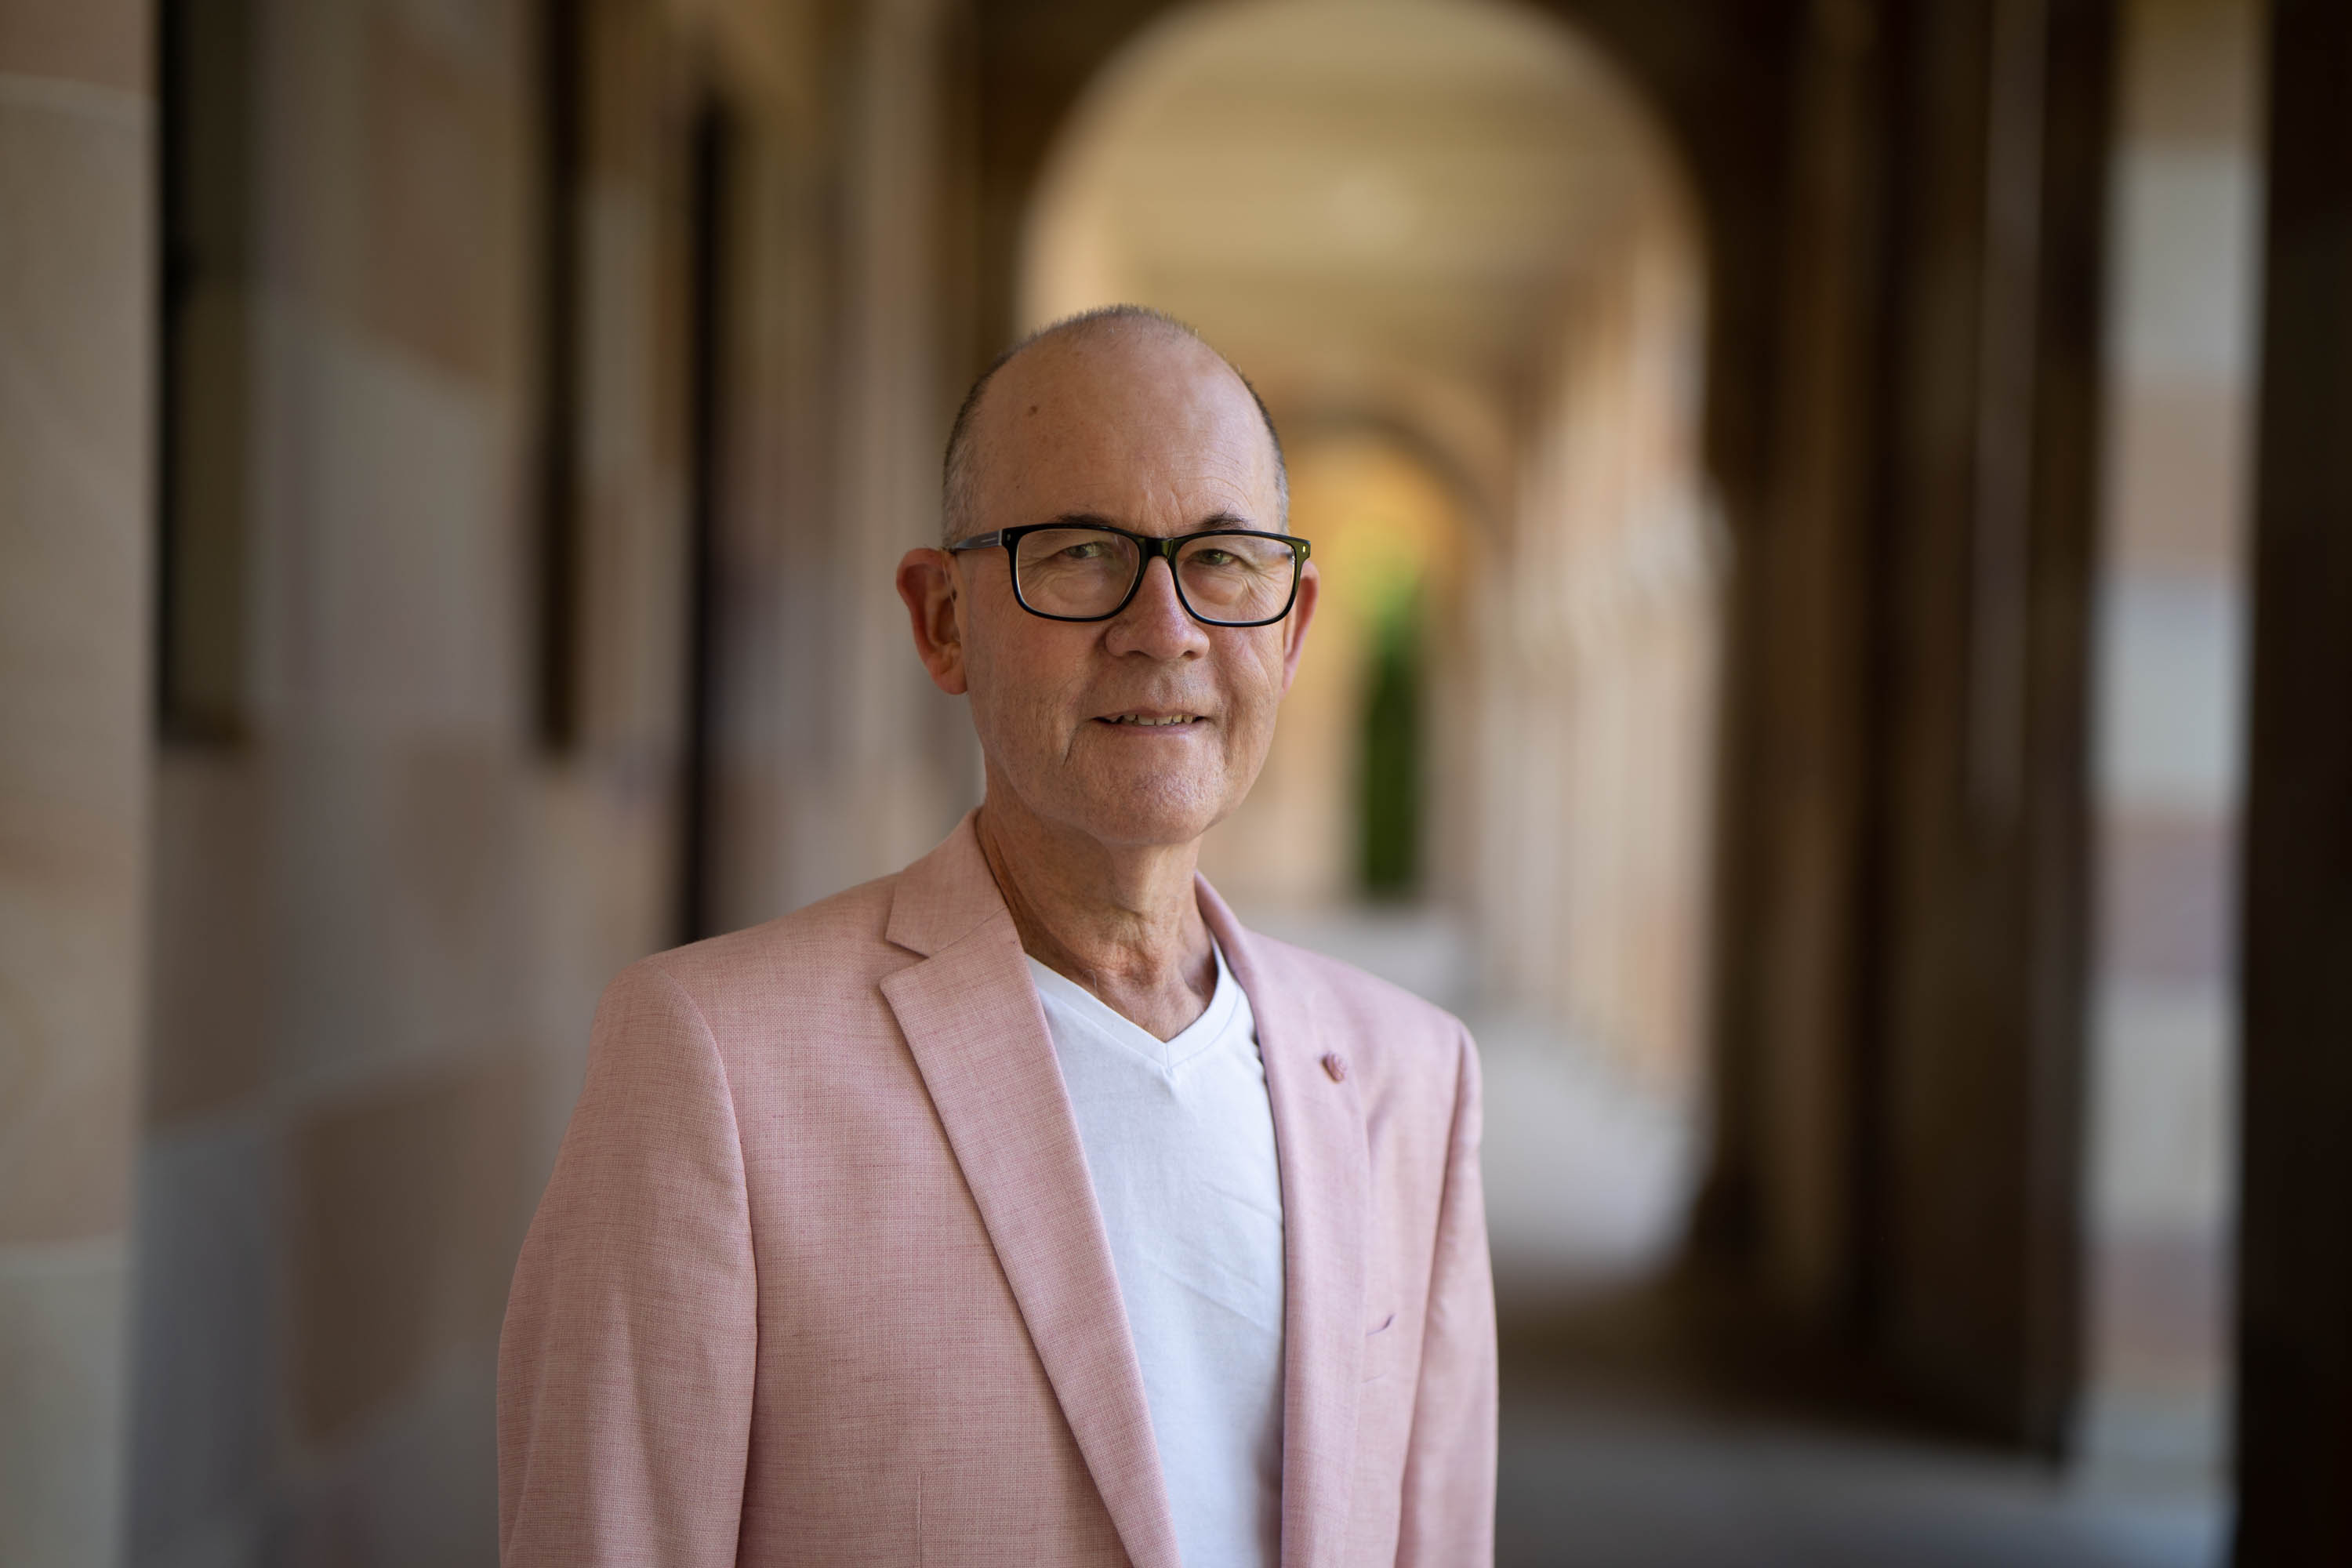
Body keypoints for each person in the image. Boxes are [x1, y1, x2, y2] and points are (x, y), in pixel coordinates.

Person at [497, 306, 1496, 1566]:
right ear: (942, 621)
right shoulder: (715, 1068)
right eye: (1081, 552)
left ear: (1291, 630)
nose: (1166, 626)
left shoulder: (1414, 1081)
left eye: (1224, 560)